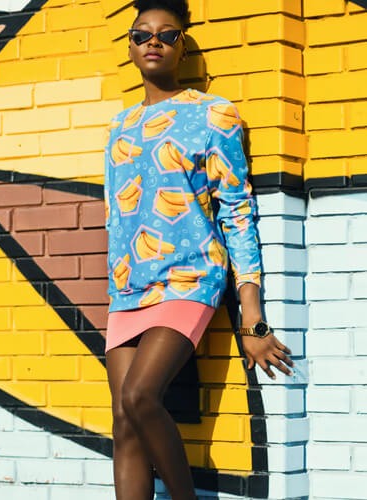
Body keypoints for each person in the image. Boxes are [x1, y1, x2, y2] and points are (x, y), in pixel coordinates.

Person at [102, 1, 295, 498]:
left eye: (167, 34)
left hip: (189, 278)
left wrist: (252, 317)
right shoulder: (120, 127)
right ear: (130, 46)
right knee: (124, 422)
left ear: (182, 47)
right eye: (142, 34)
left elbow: (237, 211)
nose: (153, 42)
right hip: (128, 286)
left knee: (140, 396)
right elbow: (118, 216)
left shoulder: (213, 113)